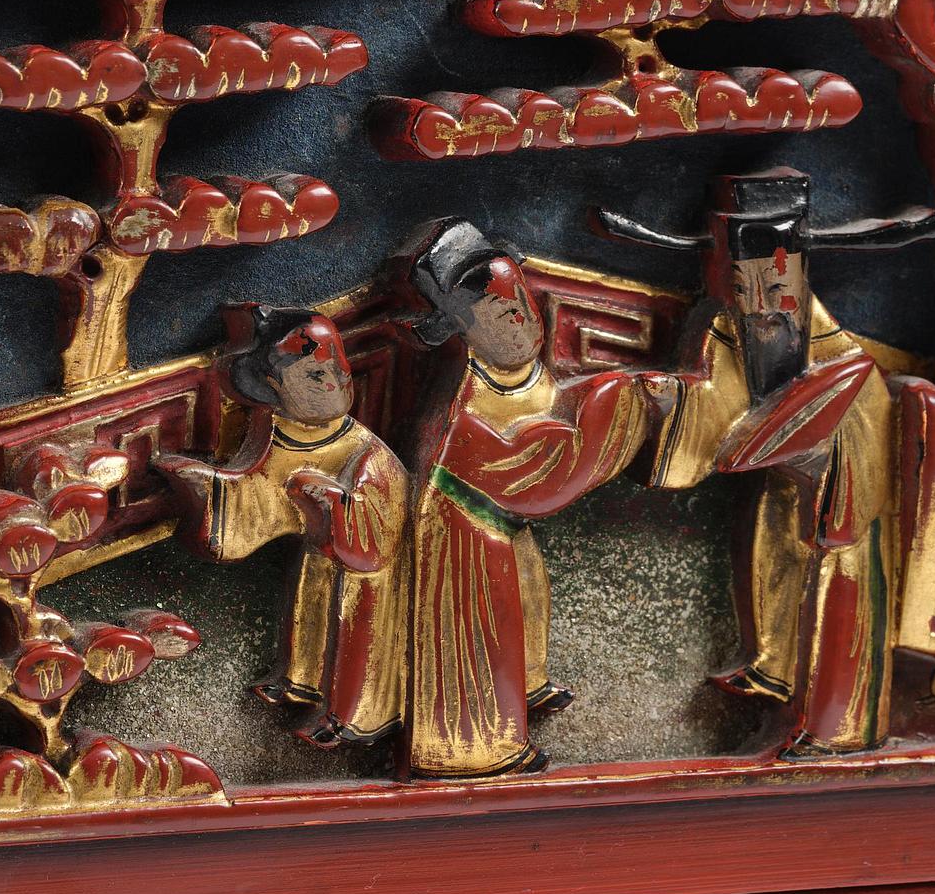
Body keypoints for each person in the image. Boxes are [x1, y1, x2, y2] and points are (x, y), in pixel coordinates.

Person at [599, 170, 935, 752]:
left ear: (803, 274)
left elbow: (755, 438)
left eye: (779, 278)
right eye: (749, 280)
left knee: (837, 576)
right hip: (792, 482)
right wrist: (668, 399)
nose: (765, 297)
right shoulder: (732, 330)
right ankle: (773, 664)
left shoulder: (844, 367)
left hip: (842, 503)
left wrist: (768, 443)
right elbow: (715, 411)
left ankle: (837, 725)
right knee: (771, 526)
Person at [403, 219, 669, 778]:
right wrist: (617, 409)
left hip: (504, 524)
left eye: (521, 301)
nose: (522, 318)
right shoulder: (464, 406)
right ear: (461, 330)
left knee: (526, 600)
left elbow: (556, 421)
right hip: (462, 532)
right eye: (502, 314)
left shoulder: (524, 372)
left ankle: (527, 687)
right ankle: (477, 751)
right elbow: (540, 472)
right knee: (479, 640)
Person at [158, 307, 408, 751]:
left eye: (338, 367)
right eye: (314, 375)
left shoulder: (366, 452)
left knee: (355, 622)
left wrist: (334, 501)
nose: (333, 381)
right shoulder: (278, 433)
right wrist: (207, 489)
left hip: (369, 575)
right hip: (324, 554)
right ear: (273, 387)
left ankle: (355, 715)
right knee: (310, 599)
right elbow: (256, 496)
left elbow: (380, 524)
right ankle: (303, 682)